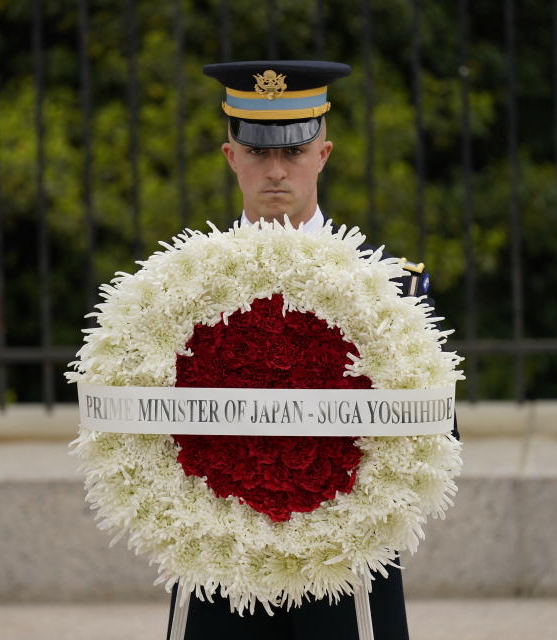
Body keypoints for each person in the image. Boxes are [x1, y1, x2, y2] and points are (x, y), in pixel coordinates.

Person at [164, 59, 452, 640]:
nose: (275, 170)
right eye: (259, 152)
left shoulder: (391, 287)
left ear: (323, 155)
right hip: (220, 548)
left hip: (345, 560)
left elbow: (435, 432)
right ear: (231, 157)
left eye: (293, 152)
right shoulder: (172, 295)